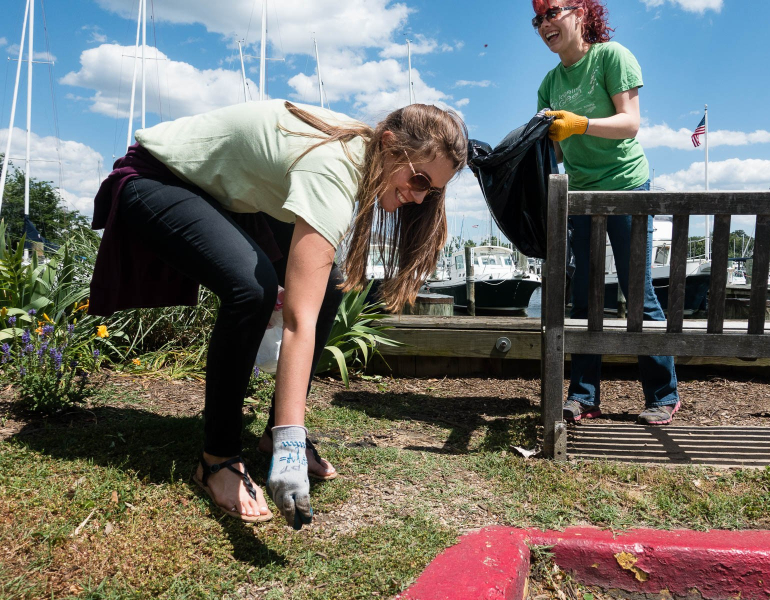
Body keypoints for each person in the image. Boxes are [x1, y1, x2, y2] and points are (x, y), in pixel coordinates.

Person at [89, 100, 468, 527]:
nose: (419, 196)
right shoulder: (334, 167)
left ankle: (273, 435)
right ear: (389, 143)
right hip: (158, 178)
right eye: (419, 179)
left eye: (431, 190)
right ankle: (217, 458)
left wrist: (284, 435)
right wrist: (294, 448)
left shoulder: (363, 154)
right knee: (251, 290)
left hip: (225, 197)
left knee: (327, 286)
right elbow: (298, 321)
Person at [532, 0, 680, 425]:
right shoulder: (549, 83)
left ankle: (663, 395)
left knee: (638, 291)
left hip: (628, 185)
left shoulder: (612, 56)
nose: (545, 23)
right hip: (580, 195)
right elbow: (555, 150)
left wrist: (580, 123)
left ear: (582, 12)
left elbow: (630, 122)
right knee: (585, 295)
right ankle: (584, 396)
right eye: (538, 18)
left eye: (552, 11)